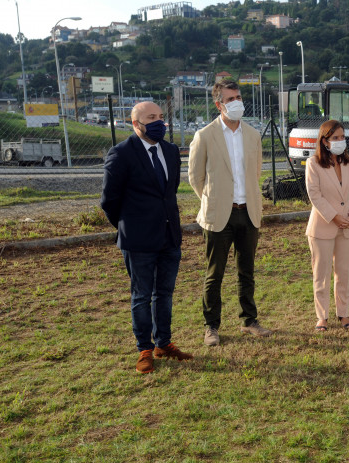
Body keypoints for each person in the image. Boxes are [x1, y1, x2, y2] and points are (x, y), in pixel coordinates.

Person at [101, 101, 193, 374]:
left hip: (169, 236)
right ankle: (144, 348)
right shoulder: (121, 154)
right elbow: (109, 200)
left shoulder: (170, 151)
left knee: (164, 293)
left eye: (162, 117)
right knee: (141, 295)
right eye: (151, 117)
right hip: (138, 239)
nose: (159, 122)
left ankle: (163, 343)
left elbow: (170, 191)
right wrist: (128, 225)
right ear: (135, 123)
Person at [189, 79, 272, 346]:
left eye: (238, 97)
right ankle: (211, 326)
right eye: (230, 99)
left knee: (246, 271)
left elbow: (256, 173)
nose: (237, 102)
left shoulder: (252, 135)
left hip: (248, 213)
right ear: (218, 104)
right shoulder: (204, 135)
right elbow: (195, 177)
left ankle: (249, 321)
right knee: (215, 273)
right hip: (218, 215)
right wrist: (214, 201)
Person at [305, 120, 349, 332]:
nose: (340, 141)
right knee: (321, 274)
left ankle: (344, 315)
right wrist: (335, 217)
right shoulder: (314, 164)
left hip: (347, 227)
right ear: (325, 141)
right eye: (335, 138)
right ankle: (322, 317)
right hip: (322, 227)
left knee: (344, 273)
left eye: (342, 137)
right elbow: (315, 196)